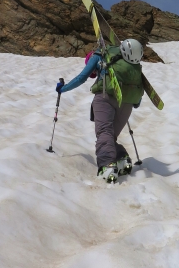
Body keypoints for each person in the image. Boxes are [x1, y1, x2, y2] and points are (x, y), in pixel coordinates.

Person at [56, 38, 144, 183]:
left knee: (104, 133)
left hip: (105, 97)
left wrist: (62, 89)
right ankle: (121, 158)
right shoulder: (131, 63)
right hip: (127, 104)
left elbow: (82, 77)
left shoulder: (99, 55)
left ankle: (107, 165)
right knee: (109, 136)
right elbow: (138, 99)